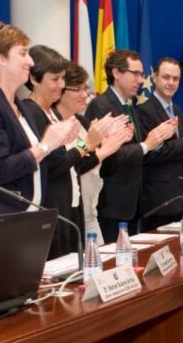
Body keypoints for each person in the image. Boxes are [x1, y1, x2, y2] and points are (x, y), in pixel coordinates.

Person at [0, 23, 79, 243]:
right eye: (23, 53)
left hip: (29, 216)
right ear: (0, 57)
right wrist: (45, 145)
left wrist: (59, 141)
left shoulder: (21, 106)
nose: (31, 62)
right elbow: (0, 169)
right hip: (1, 219)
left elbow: (40, 161)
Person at [23, 45, 128, 256]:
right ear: (34, 79)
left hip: (72, 206)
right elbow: (50, 166)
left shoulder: (51, 114)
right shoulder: (31, 112)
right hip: (51, 210)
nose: (61, 85)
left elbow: (70, 164)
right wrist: (88, 145)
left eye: (63, 79)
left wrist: (102, 146)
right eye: (55, 79)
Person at [84, 49, 177, 241]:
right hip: (112, 203)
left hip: (132, 203)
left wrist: (156, 139)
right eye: (135, 74)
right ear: (117, 73)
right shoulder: (100, 105)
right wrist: (146, 145)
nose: (141, 80)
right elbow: (110, 155)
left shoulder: (129, 106)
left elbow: (138, 147)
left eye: (141, 74)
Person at [52, 61, 132, 246]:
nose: (85, 94)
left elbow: (95, 159)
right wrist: (101, 149)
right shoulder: (51, 125)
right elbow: (73, 161)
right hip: (69, 213)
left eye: (85, 88)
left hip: (90, 210)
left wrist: (112, 141)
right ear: (61, 91)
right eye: (78, 89)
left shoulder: (83, 121)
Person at [136, 57, 183, 231]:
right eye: (166, 77)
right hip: (157, 199)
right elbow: (150, 154)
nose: (171, 83)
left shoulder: (177, 110)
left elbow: (177, 152)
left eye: (175, 79)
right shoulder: (144, 111)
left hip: (178, 195)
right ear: (154, 77)